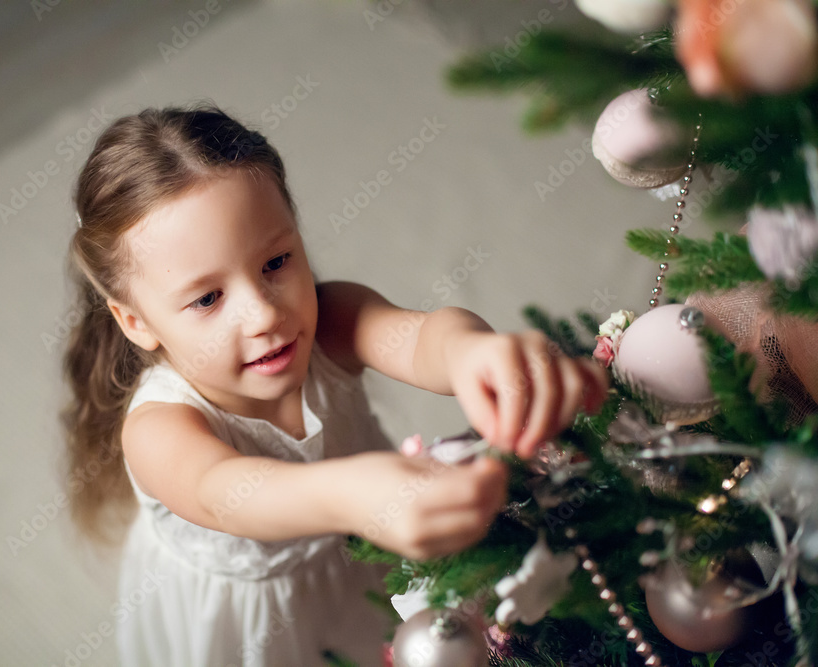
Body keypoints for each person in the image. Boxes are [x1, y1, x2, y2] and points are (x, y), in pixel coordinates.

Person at [60, 102, 609, 667]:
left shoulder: (332, 317)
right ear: (136, 321)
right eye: (207, 298)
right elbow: (225, 493)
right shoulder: (159, 429)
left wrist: (474, 351)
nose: (263, 315)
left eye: (275, 262)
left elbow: (423, 339)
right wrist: (356, 496)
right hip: (252, 625)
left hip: (364, 554)